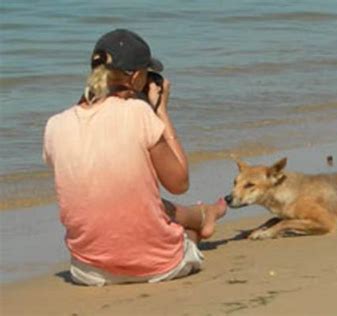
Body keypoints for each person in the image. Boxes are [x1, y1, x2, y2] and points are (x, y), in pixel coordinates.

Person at [42, 29, 227, 286]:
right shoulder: (140, 113)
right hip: (158, 266)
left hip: (87, 272)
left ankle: (204, 214)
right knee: (185, 232)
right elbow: (180, 183)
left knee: (118, 195)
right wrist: (161, 111)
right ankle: (200, 220)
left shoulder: (55, 125)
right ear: (138, 76)